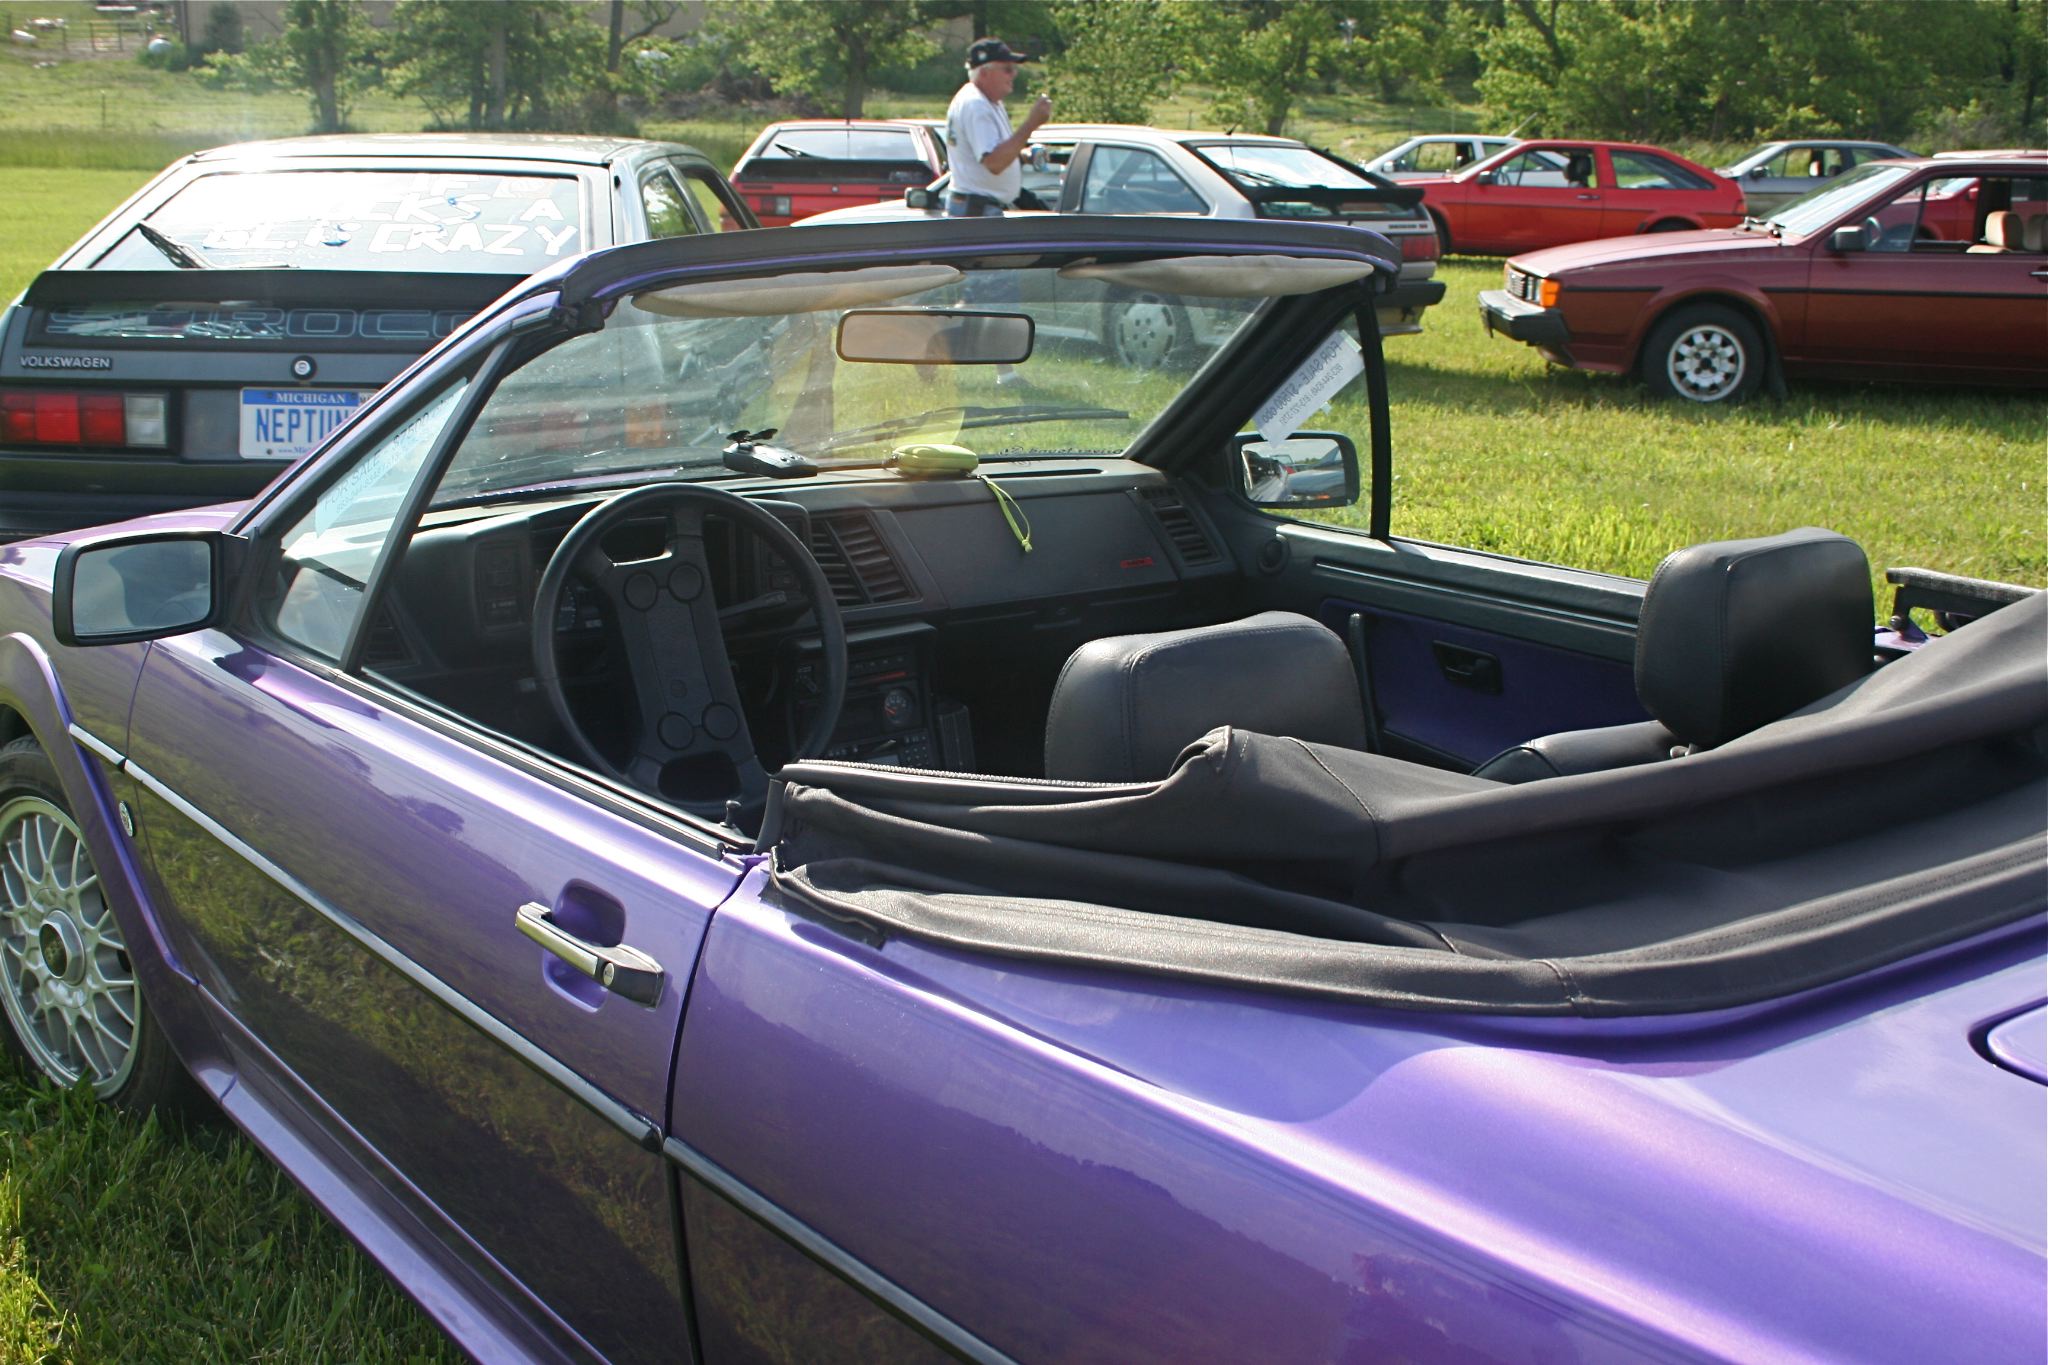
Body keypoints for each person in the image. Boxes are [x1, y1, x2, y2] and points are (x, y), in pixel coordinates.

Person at [945, 37, 1052, 218]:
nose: (1014, 74)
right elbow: (994, 163)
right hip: (977, 210)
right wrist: (1032, 123)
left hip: (980, 207)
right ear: (984, 72)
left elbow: (992, 151)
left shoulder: (988, 101)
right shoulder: (976, 105)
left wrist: (1022, 156)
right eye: (1007, 69)